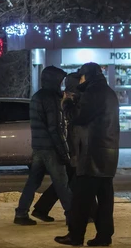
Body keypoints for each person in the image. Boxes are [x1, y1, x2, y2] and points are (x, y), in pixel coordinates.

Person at [55, 62, 119, 247]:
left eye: (81, 76)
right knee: (105, 198)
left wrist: (67, 104)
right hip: (109, 153)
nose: (80, 79)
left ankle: (75, 236)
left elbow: (78, 118)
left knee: (81, 198)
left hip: (93, 153)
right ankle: (104, 236)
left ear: (87, 75)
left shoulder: (93, 92)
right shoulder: (108, 92)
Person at [14, 66, 72, 225]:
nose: (61, 84)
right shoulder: (51, 99)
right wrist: (64, 152)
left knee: (33, 181)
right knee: (62, 183)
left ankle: (21, 213)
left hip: (38, 147)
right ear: (54, 81)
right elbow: (55, 128)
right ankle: (73, 215)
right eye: (60, 81)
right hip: (50, 148)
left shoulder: (38, 96)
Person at [32, 73, 93, 222]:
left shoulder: (70, 97)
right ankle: (82, 214)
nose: (85, 81)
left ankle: (42, 208)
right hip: (74, 147)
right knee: (77, 180)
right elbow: (74, 123)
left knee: (66, 180)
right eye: (83, 79)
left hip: (72, 146)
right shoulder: (74, 99)